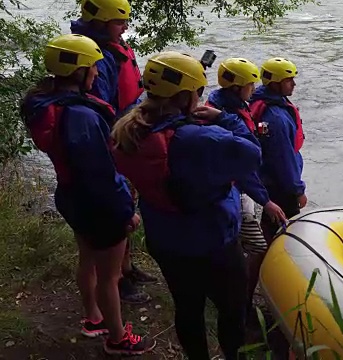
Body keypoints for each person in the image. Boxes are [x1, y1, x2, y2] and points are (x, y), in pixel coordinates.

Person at [111, 51, 261, 360]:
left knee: (187, 307)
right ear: (185, 96)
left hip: (166, 240)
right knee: (232, 310)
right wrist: (224, 118)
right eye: (199, 91)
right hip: (213, 241)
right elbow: (252, 154)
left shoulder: (130, 127)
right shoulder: (201, 139)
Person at [20, 34, 155, 355]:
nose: (97, 73)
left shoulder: (48, 103)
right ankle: (118, 339)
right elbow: (100, 175)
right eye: (92, 67)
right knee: (109, 276)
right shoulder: (82, 116)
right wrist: (126, 211)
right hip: (98, 204)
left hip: (71, 196)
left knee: (88, 260)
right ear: (78, 71)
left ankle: (94, 318)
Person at [70, 0, 156, 304]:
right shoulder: (100, 57)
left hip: (126, 134)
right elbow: (103, 109)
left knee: (128, 202)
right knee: (119, 210)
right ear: (101, 23)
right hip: (115, 142)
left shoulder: (111, 46)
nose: (125, 28)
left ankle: (127, 267)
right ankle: (117, 281)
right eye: (120, 23)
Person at [205, 57, 288, 322]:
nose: (254, 89)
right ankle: (240, 308)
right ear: (236, 88)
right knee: (257, 248)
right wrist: (266, 198)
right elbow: (242, 165)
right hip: (236, 191)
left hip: (239, 188)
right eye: (249, 85)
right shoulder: (221, 118)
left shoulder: (227, 107)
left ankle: (237, 301)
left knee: (243, 247)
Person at [248, 57, 307, 245]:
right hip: (281, 186)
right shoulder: (275, 118)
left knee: (270, 225)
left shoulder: (263, 103)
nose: (294, 84)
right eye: (289, 80)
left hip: (270, 180)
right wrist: (298, 190)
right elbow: (283, 158)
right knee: (284, 231)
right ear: (275, 84)